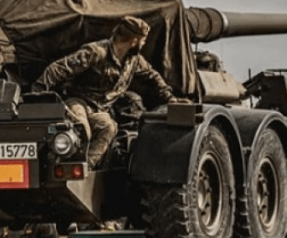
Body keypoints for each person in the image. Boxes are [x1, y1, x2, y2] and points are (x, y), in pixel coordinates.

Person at [32, 16, 186, 167]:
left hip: (100, 110)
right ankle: (54, 163)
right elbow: (59, 68)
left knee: (109, 127)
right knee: (80, 128)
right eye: (143, 41)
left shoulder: (134, 61)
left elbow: (153, 76)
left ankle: (85, 168)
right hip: (78, 102)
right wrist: (36, 94)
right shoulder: (96, 52)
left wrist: (169, 98)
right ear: (134, 42)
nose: (144, 44)